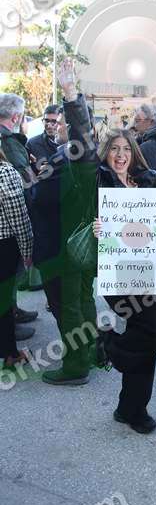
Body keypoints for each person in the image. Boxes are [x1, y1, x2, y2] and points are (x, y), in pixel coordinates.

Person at [59, 59, 156, 432]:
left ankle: (131, 408)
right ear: (106, 154)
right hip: (119, 276)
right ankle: (106, 345)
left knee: (144, 337)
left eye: (126, 149)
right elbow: (81, 147)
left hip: (152, 274)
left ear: (134, 152)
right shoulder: (96, 179)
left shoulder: (147, 179)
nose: (120, 154)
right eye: (114, 149)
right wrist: (71, 96)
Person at [31, 106, 98, 385]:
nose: (54, 127)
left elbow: (41, 198)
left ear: (71, 129)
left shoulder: (64, 157)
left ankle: (75, 365)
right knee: (84, 299)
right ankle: (91, 351)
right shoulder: (88, 155)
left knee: (68, 306)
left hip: (64, 246)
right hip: (84, 242)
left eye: (59, 123)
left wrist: (37, 177)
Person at [0, 93, 38, 334]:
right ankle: (9, 324)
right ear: (16, 117)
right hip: (8, 224)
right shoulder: (8, 141)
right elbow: (22, 182)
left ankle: (12, 311)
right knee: (8, 276)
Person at [0, 147, 33, 368]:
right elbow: (18, 215)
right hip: (4, 244)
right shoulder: (5, 172)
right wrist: (27, 249)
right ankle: (10, 354)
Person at [27, 104, 60, 169]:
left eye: (54, 121)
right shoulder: (32, 144)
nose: (49, 125)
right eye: (46, 121)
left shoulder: (69, 144)